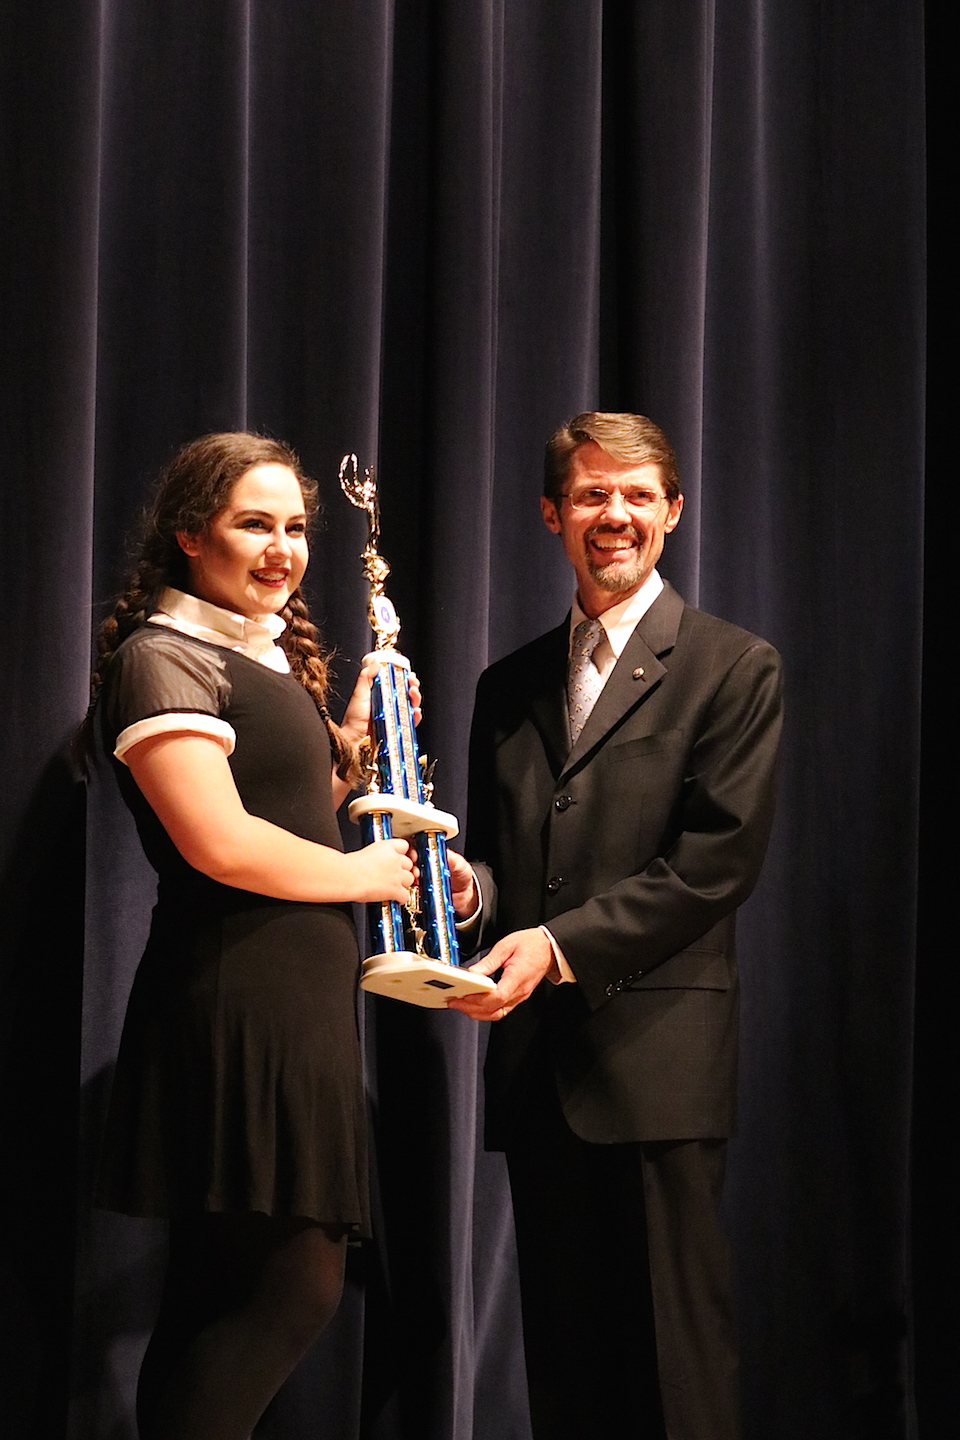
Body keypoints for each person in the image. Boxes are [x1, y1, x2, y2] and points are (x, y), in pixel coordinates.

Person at [448, 414, 783, 1440]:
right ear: (552, 516)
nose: (616, 515)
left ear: (673, 512)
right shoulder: (506, 686)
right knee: (569, 1375)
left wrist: (556, 947)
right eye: (592, 494)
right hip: (541, 1071)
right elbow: (507, 869)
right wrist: (468, 896)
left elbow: (713, 864)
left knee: (674, 1378)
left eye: (638, 495)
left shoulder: (733, 667)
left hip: (657, 1067)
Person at [79, 432, 418, 1440]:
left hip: (290, 1000)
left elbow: (291, 811)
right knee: (292, 1289)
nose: (282, 548)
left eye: (295, 527)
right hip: (237, 1002)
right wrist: (361, 876)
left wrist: (355, 738)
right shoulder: (162, 657)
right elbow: (219, 842)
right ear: (191, 535)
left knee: (218, 1298)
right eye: (254, 524)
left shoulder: (251, 657)